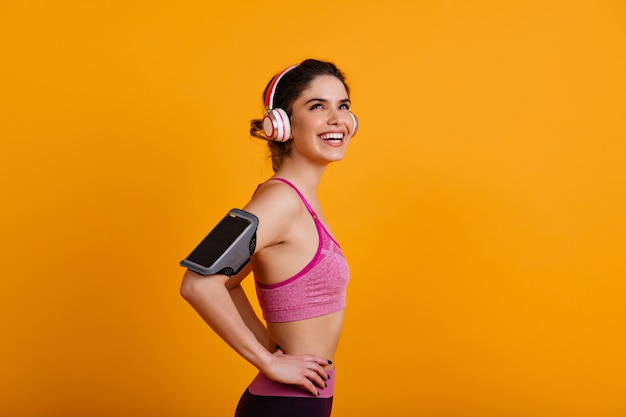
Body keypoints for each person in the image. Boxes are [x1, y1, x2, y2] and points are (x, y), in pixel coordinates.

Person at [180, 58, 357, 417]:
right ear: (280, 124)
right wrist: (269, 362)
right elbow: (198, 283)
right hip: (283, 406)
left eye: (343, 106)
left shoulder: (301, 200)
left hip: (304, 400)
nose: (337, 118)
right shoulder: (278, 201)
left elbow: (228, 286)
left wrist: (272, 350)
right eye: (317, 106)